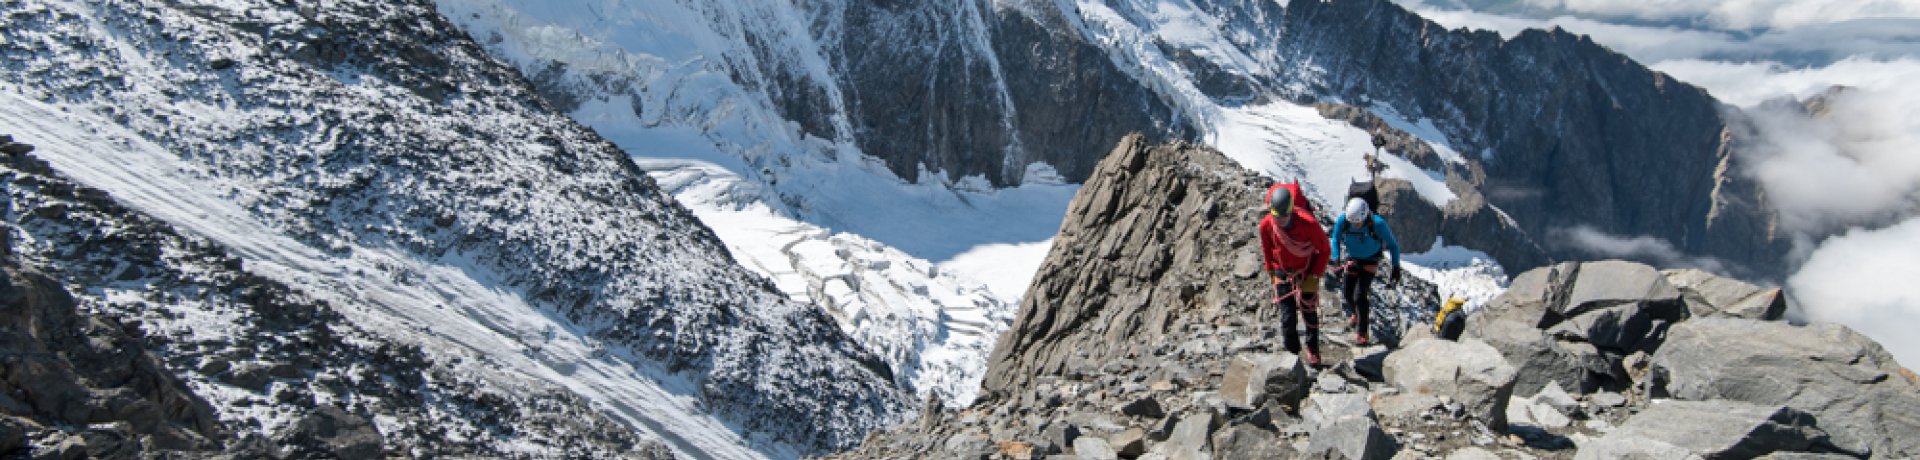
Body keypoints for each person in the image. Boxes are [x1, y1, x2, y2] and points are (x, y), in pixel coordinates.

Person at [1257, 182, 1332, 365]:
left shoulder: (1308, 224)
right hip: (1282, 270)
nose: (1280, 221)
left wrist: (1314, 276)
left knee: (1308, 311)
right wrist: (1271, 272)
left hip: (1306, 270)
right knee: (1287, 316)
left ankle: (1313, 349)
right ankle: (1291, 356)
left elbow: (1324, 250)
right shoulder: (1266, 225)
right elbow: (1267, 248)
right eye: (1277, 217)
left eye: (1284, 216)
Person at [1330, 197, 1401, 346]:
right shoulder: (1344, 221)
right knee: (1347, 292)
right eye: (1352, 223)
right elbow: (1335, 238)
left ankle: (1362, 333)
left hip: (1371, 260)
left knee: (1360, 295)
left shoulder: (1378, 224)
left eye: (1357, 223)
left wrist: (1395, 267)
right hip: (1353, 258)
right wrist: (1336, 259)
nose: (1355, 226)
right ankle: (1356, 314)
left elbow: (1393, 245)